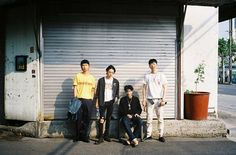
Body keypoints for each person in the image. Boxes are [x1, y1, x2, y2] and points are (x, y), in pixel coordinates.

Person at [142, 59, 168, 143]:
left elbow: (165, 87)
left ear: (156, 64)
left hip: (159, 100)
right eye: (151, 64)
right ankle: (149, 135)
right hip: (150, 100)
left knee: (160, 118)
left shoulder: (161, 75)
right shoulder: (147, 76)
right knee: (149, 118)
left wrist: (164, 99)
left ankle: (161, 135)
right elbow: (144, 89)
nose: (153, 65)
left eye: (154, 63)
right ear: (149, 66)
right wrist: (143, 100)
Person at [95, 65, 119, 144]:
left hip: (111, 103)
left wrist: (115, 99)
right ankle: (101, 136)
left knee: (108, 118)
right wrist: (97, 102)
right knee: (102, 118)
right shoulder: (101, 80)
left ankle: (106, 135)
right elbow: (98, 92)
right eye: (109, 72)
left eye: (112, 72)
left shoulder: (116, 81)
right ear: (106, 72)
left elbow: (117, 93)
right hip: (102, 102)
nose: (110, 74)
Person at [73, 59, 96, 143]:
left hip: (88, 100)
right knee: (78, 119)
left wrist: (92, 100)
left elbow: (93, 90)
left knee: (87, 119)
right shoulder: (78, 75)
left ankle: (85, 136)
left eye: (86, 65)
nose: (84, 67)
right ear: (81, 67)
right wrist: (75, 98)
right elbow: (75, 87)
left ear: (89, 66)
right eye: (82, 65)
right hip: (78, 99)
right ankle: (77, 136)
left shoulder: (92, 77)